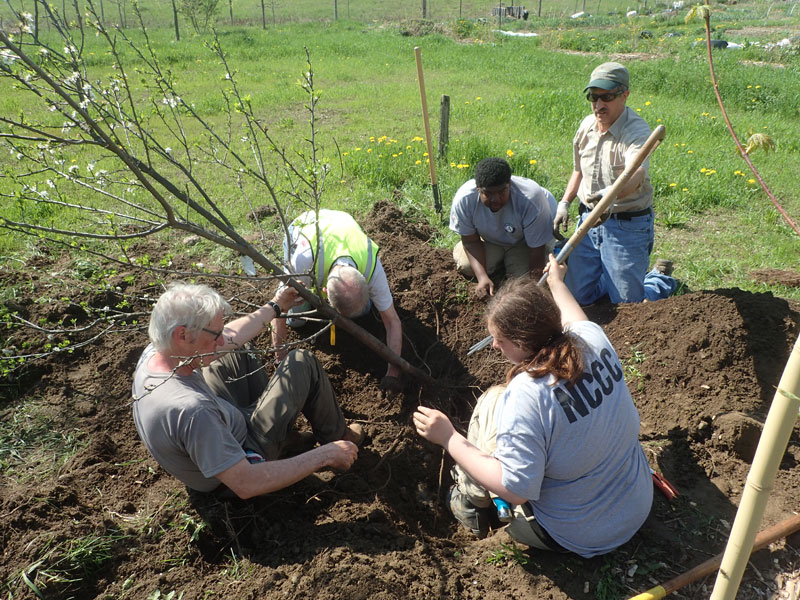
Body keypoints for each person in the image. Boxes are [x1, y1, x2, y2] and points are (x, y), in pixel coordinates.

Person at [413, 255, 653, 557]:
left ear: (522, 340)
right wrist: (556, 283)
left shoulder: (528, 394)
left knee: (491, 404)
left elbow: (517, 489)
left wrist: (449, 437)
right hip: (636, 504)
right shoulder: (592, 338)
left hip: (578, 533)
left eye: (499, 339)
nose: (495, 346)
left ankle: (472, 503)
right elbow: (572, 318)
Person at [132, 281, 363, 500]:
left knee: (234, 349)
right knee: (301, 362)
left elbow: (232, 337)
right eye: (215, 335)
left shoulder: (156, 353)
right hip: (240, 465)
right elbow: (246, 484)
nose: (221, 340)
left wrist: (276, 305)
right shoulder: (193, 411)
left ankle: (284, 436)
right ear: (182, 335)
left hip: (220, 431)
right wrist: (324, 455)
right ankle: (340, 440)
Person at [553, 61, 677, 305]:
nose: (599, 105)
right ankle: (609, 280)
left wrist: (612, 193)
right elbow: (578, 171)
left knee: (627, 305)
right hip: (587, 222)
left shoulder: (636, 131)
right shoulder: (585, 127)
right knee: (577, 299)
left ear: (625, 95)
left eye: (607, 97)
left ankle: (659, 280)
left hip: (626, 226)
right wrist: (565, 202)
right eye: (593, 97)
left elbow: (637, 173)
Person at [272, 209, 403, 391]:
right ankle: (307, 298)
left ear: (366, 282)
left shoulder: (371, 265)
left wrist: (392, 374)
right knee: (297, 320)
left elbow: (392, 321)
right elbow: (278, 309)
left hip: (341, 222)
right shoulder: (302, 261)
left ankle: (357, 305)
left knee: (363, 311)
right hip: (304, 229)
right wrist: (281, 363)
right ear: (324, 291)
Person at [450, 157, 557, 300]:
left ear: (510, 185)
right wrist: (482, 278)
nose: (496, 199)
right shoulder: (465, 199)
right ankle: (500, 262)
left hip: (527, 242)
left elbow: (536, 251)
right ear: (478, 189)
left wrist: (534, 291)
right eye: (488, 194)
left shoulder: (531, 200)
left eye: (502, 192)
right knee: (467, 266)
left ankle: (508, 262)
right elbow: (470, 241)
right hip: (493, 239)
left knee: (522, 284)